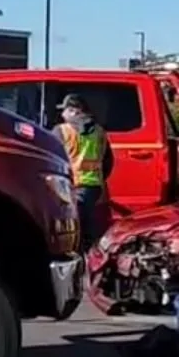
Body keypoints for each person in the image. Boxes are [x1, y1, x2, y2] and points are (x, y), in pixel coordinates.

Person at [56, 93, 113, 251]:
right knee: (92, 227)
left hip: (71, 186)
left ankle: (85, 263)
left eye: (65, 110)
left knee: (75, 231)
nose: (62, 114)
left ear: (75, 111)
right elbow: (108, 162)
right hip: (95, 187)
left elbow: (51, 159)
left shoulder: (62, 131)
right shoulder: (100, 131)